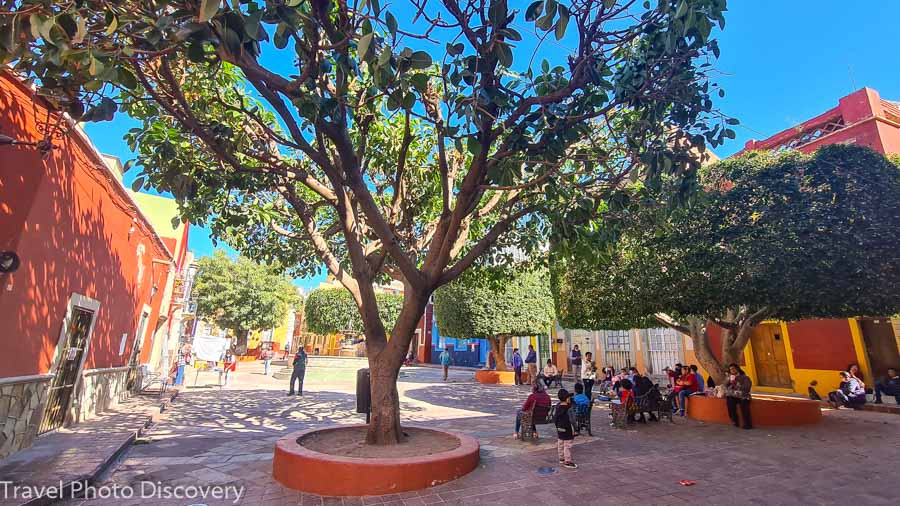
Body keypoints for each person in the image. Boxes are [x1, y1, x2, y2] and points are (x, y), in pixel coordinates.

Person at [554, 388, 578, 469]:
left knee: (560, 443)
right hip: (568, 429)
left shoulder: (557, 407)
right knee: (567, 445)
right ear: (567, 398)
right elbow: (573, 420)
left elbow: (555, 418)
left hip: (559, 428)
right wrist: (575, 429)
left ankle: (561, 458)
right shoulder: (569, 408)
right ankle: (567, 461)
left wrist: (557, 426)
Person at [724, 363, 753, 429]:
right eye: (730, 369)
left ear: (737, 369)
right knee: (730, 402)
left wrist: (736, 384)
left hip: (743, 396)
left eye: (733, 369)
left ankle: (747, 424)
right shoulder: (730, 378)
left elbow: (747, 387)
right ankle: (735, 420)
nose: (732, 370)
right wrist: (729, 381)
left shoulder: (744, 377)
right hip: (734, 396)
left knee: (744, 406)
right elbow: (726, 386)